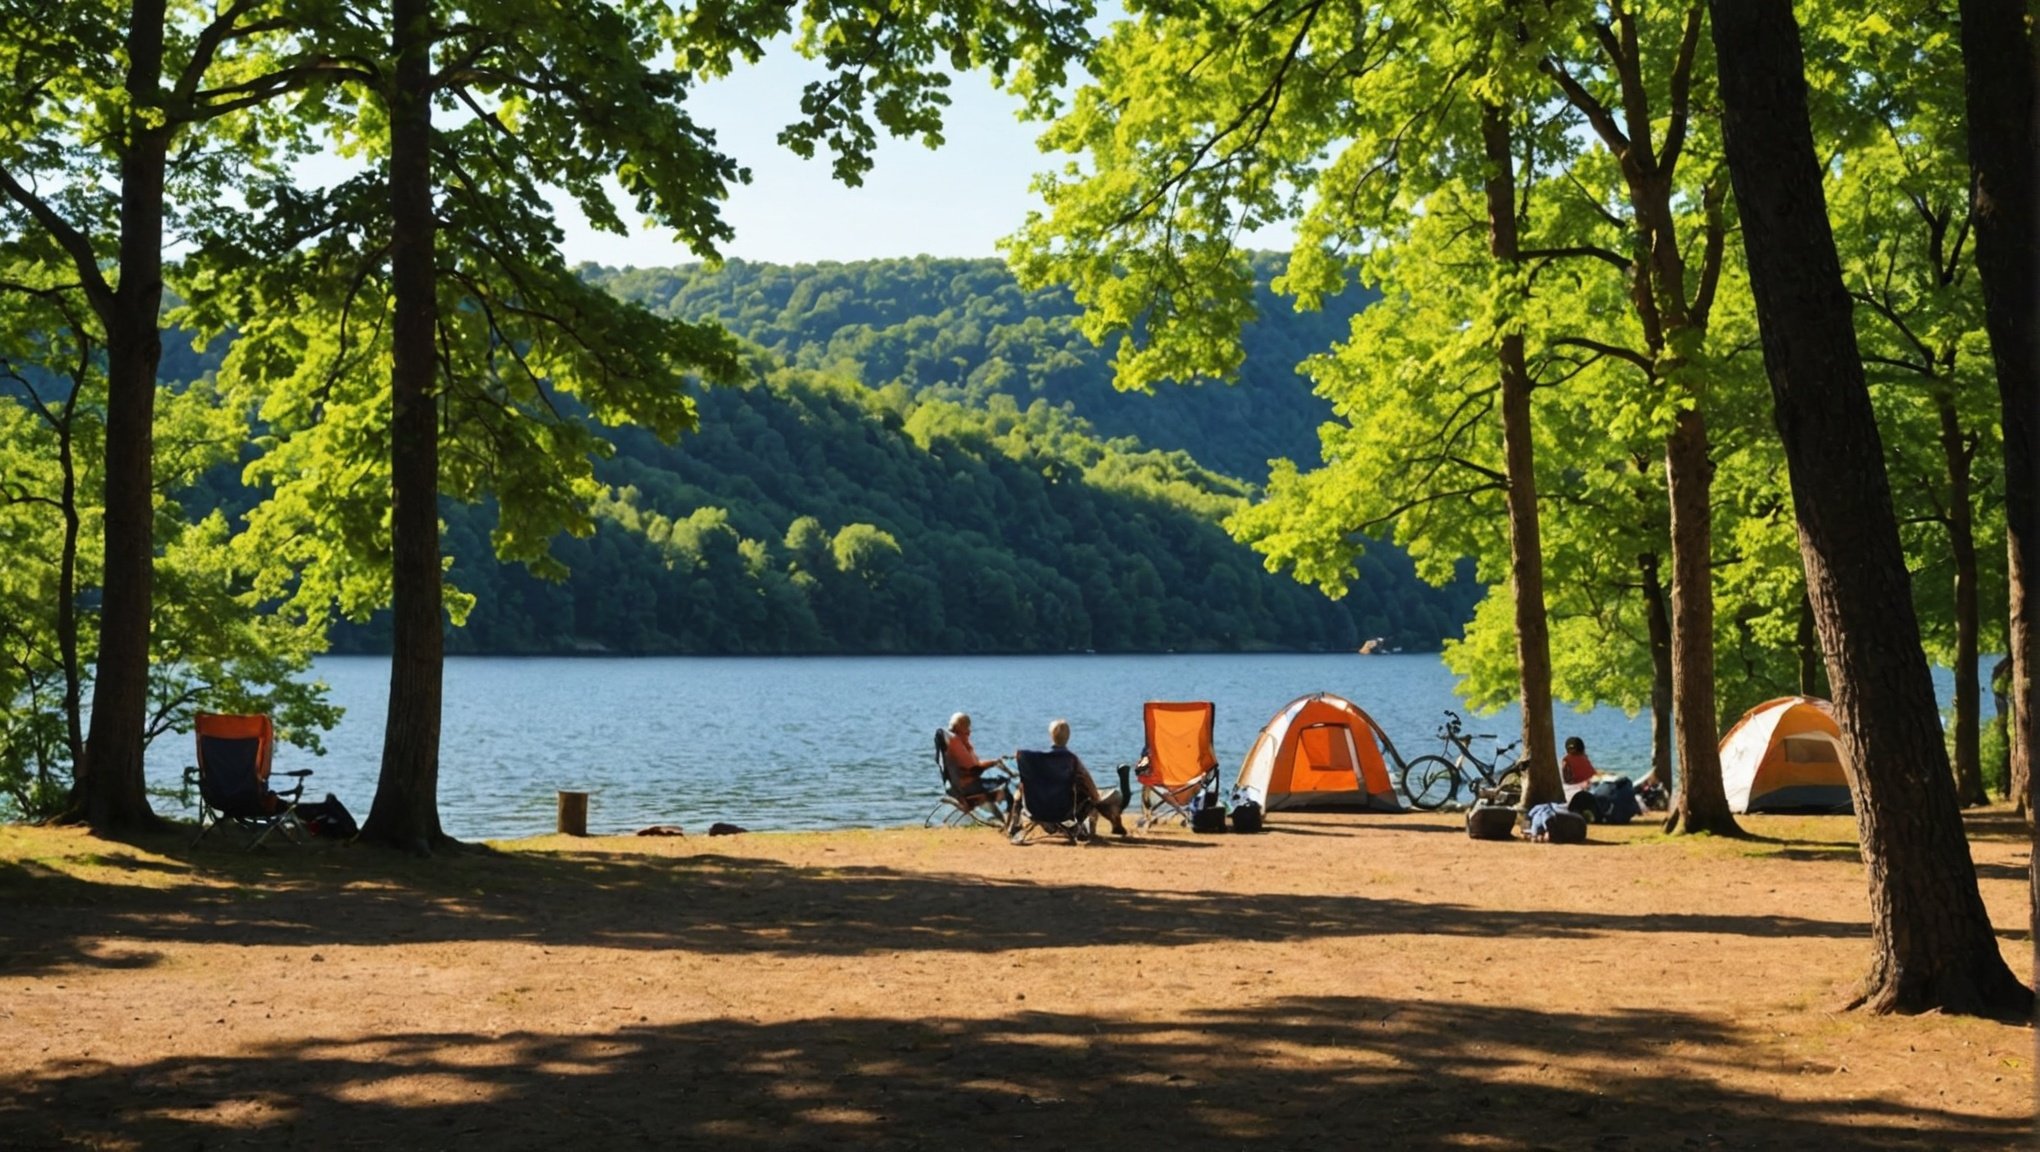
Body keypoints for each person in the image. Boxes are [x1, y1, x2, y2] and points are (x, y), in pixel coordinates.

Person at [1045, 717, 1128, 837]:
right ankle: (1106, 824)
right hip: (1070, 811)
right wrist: (1095, 796)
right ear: (1068, 737)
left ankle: (1113, 823)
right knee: (1098, 799)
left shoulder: (1041, 760)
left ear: (1051, 736)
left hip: (1046, 809)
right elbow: (1087, 779)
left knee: (1092, 798)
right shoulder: (1071, 760)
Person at [943, 712, 1012, 818]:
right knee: (1008, 783)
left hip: (956, 786)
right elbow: (975, 768)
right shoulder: (957, 744)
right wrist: (994, 762)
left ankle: (991, 811)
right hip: (969, 787)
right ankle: (1008, 820)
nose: (969, 731)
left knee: (995, 777)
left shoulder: (950, 742)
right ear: (959, 728)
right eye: (967, 729)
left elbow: (971, 766)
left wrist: (993, 762)